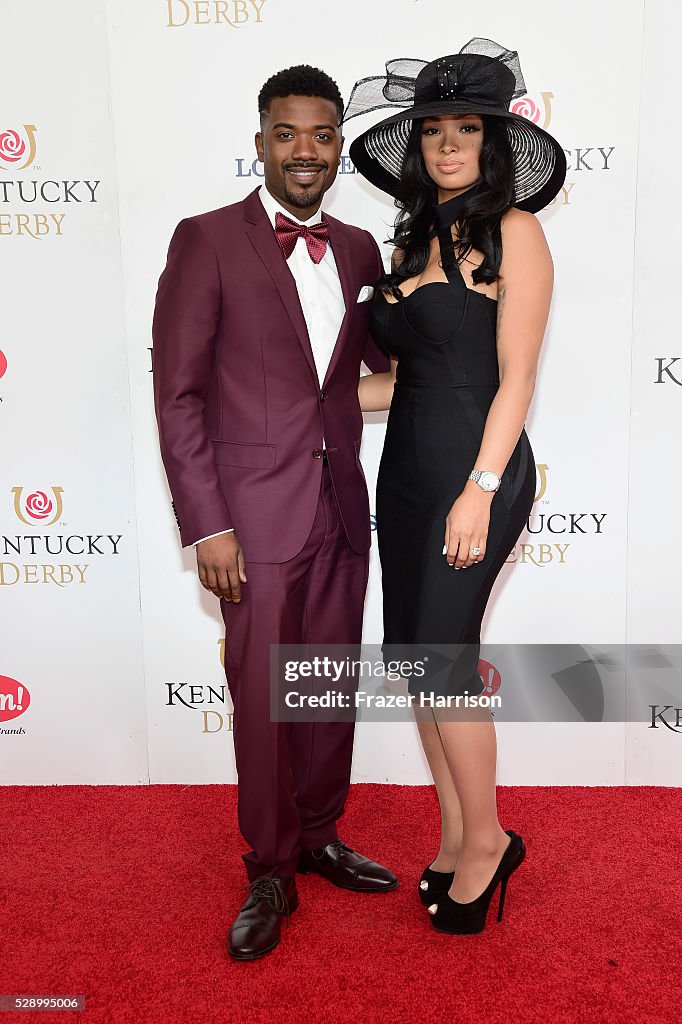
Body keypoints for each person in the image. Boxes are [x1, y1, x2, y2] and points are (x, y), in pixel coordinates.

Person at [152, 64, 397, 963]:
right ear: (260, 141)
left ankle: (321, 833)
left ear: (339, 144)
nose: (306, 150)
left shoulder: (363, 249)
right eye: (287, 133)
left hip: (342, 504)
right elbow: (178, 395)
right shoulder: (207, 241)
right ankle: (269, 865)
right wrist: (206, 524)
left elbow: (366, 376)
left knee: (327, 683)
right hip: (250, 519)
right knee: (261, 696)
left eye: (322, 134)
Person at [345, 38, 566, 935]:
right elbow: (408, 379)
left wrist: (478, 488)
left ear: (494, 140)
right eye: (432, 130)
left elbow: (514, 379)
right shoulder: (413, 238)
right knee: (418, 666)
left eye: (465, 128)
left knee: (445, 670)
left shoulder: (517, 233)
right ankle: (455, 831)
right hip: (406, 469)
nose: (446, 146)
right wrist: (291, 399)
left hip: (477, 470)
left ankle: (491, 843)